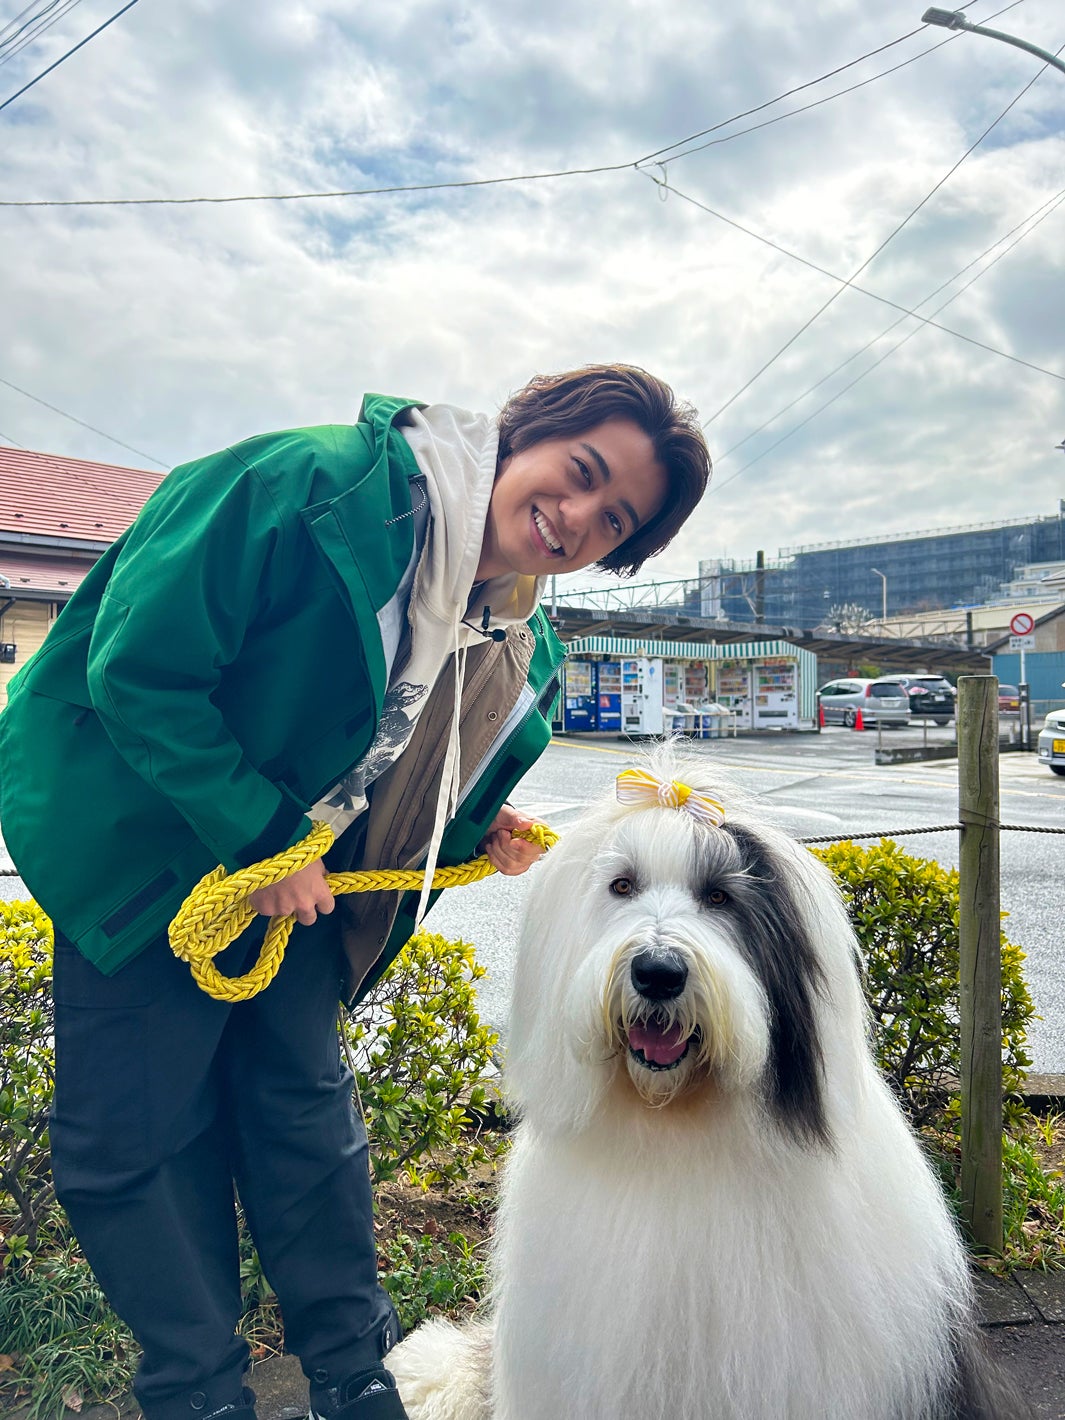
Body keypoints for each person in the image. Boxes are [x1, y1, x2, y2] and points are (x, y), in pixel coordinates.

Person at [0, 364, 710, 1420]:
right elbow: (136, 671)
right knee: (139, 1140)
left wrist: (476, 825)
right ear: (527, 434)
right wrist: (263, 834)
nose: (575, 518)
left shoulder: (514, 634)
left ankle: (355, 1378)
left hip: (297, 896)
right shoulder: (300, 486)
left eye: (614, 520)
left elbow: (389, 759)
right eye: (581, 473)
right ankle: (198, 1395)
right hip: (147, 858)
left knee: (305, 1122)